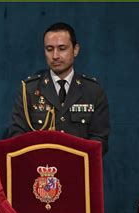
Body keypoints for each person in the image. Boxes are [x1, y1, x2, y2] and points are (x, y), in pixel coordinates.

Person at [8, 22, 110, 155]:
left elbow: (100, 141)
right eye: (49, 49)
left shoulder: (93, 91)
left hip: (79, 170)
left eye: (62, 48)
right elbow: (16, 137)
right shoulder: (29, 90)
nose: (55, 56)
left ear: (75, 50)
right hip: (41, 170)